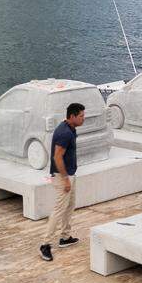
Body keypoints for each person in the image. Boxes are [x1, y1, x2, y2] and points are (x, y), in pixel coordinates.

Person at [39, 103, 85, 262]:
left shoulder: (70, 129)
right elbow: (57, 157)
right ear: (72, 116)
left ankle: (65, 237)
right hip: (62, 176)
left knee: (70, 205)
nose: (83, 118)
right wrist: (65, 180)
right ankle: (45, 244)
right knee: (59, 210)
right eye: (81, 116)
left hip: (69, 174)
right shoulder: (64, 133)